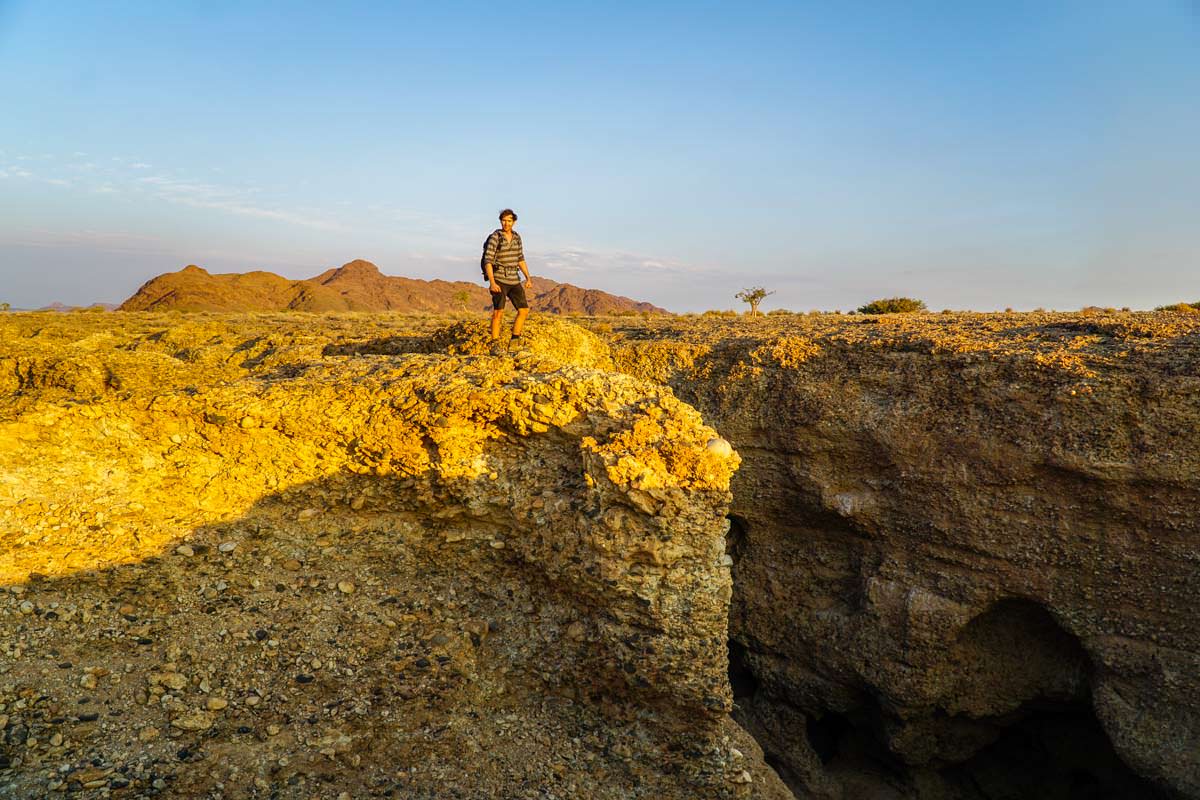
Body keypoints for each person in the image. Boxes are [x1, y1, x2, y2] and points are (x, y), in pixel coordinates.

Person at [483, 208, 533, 349]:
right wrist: (492, 282)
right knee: (498, 312)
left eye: (509, 221)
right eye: (503, 220)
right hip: (499, 278)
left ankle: (514, 342)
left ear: (514, 222)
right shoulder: (495, 237)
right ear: (500, 221)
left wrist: (528, 278)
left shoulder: (517, 237)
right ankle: (495, 345)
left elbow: (520, 258)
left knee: (523, 310)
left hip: (514, 278)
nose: (506, 223)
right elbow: (488, 261)